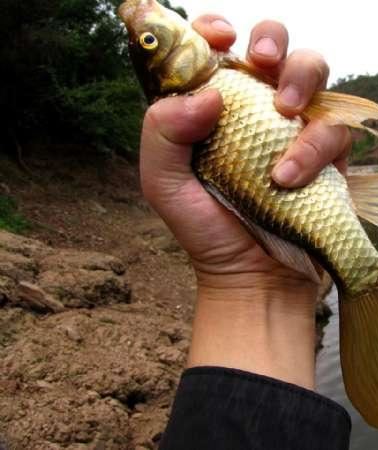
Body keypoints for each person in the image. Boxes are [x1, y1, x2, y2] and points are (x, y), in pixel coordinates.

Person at [140, 14, 352, 450]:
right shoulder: (200, 92)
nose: (150, 21)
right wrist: (248, 280)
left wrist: (255, 285)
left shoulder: (222, 72)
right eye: (149, 41)